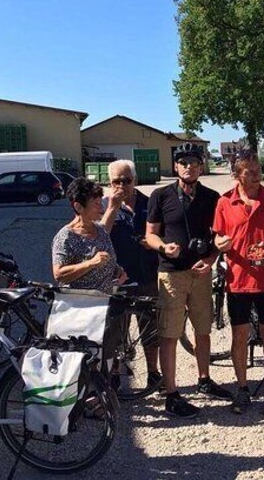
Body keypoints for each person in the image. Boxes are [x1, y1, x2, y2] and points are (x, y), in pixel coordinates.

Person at [145, 143, 232, 418]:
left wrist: (211, 259)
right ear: (176, 167)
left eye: (194, 162)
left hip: (201, 272)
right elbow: (150, 234)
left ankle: (204, 379)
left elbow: (220, 235)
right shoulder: (160, 196)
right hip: (171, 273)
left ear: (201, 166)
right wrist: (162, 247)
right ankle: (171, 392)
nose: (188, 166)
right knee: (169, 334)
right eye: (183, 162)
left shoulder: (211, 197)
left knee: (202, 330)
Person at [213, 150, 264, 416]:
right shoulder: (224, 202)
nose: (256, 175)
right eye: (249, 171)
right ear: (236, 175)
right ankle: (242, 389)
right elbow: (218, 237)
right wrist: (220, 243)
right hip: (238, 280)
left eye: (258, 170)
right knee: (239, 334)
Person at [102, 160, 162, 389]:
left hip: (147, 273)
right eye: (116, 181)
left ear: (135, 180)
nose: (122, 185)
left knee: (150, 326)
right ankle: (116, 372)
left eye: (126, 180)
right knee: (117, 328)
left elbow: (162, 232)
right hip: (119, 277)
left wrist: (155, 243)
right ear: (110, 183)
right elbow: (101, 235)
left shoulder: (150, 204)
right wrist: (112, 209)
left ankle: (153, 372)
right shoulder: (105, 205)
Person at [52, 177, 123, 293]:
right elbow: (59, 274)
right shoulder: (66, 237)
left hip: (104, 302)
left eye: (101, 202)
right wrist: (91, 263)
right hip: (80, 306)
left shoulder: (100, 229)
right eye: (96, 203)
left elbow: (103, 260)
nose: (101, 207)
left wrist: (116, 269)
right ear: (78, 207)